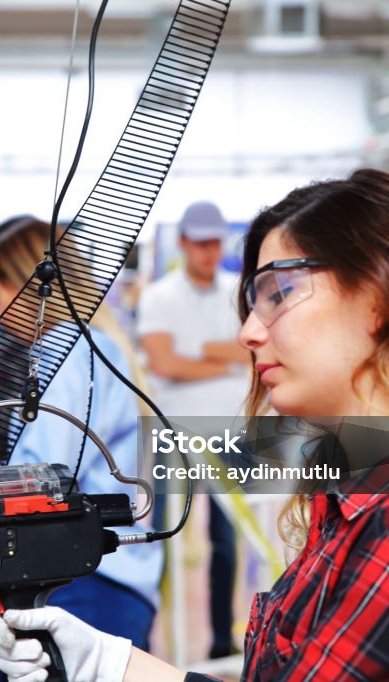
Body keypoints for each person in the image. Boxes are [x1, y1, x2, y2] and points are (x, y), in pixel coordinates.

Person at [0, 169, 389, 681]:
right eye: (253, 301)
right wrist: (113, 665)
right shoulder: (365, 493)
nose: (249, 333)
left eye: (279, 294)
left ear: (380, 296)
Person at [0, 218, 164, 676]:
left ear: (26, 288)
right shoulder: (97, 345)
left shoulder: (69, 351)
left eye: (0, 294)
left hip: (86, 583)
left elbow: (43, 476)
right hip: (106, 579)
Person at [137, 200, 249, 659]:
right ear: (183, 242)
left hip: (232, 430)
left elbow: (252, 352)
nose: (208, 250)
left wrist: (198, 354)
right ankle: (151, 638)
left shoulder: (239, 289)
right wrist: (225, 357)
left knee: (228, 541)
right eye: (200, 241)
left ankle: (222, 638)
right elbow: (165, 363)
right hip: (174, 433)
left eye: (214, 241)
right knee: (162, 536)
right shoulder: (159, 296)